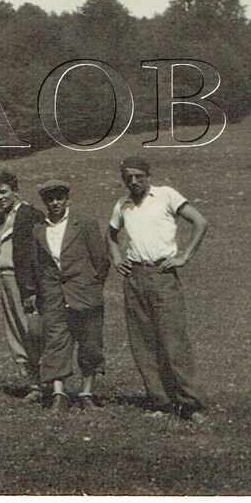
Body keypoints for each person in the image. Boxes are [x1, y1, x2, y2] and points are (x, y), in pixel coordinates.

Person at [108, 156, 209, 423]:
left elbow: (200, 222)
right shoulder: (122, 204)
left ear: (148, 176)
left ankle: (190, 404)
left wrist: (184, 256)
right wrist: (117, 258)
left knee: (173, 341)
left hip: (163, 275)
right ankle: (161, 402)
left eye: (138, 176)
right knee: (143, 342)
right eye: (128, 177)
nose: (133, 181)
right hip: (134, 277)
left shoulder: (166, 195)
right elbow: (111, 234)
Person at [32, 180, 109, 411]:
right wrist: (43, 291)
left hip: (84, 292)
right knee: (55, 341)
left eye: (59, 198)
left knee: (90, 343)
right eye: (50, 199)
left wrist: (92, 285)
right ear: (44, 202)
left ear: (67, 199)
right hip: (53, 295)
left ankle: (86, 392)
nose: (55, 203)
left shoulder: (84, 223)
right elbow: (38, 264)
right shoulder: (38, 229)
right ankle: (59, 394)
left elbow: (101, 259)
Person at [0, 170, 45, 402]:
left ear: (15, 191)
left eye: (3, 192)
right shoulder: (3, 218)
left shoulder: (30, 214)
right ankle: (33, 383)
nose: (0, 197)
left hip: (24, 280)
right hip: (6, 279)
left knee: (31, 328)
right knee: (15, 329)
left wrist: (31, 288)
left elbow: (37, 252)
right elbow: (1, 246)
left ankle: (45, 382)